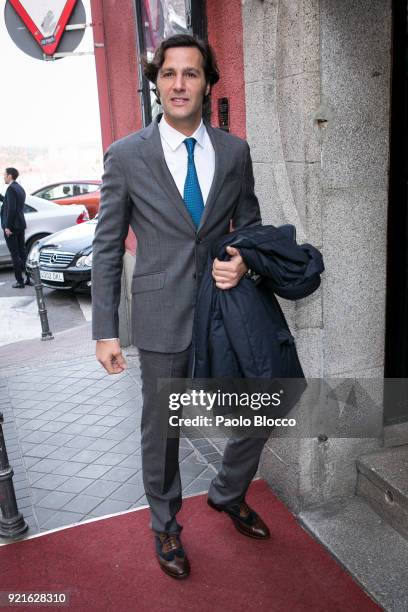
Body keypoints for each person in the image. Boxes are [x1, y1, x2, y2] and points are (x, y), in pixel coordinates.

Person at [92, 34, 271, 580]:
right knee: (163, 430)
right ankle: (166, 525)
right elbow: (106, 244)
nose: (179, 84)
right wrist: (106, 330)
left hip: (224, 308)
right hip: (161, 314)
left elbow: (253, 227)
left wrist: (242, 259)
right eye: (170, 73)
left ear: (207, 82)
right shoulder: (127, 156)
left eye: (191, 74)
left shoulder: (235, 152)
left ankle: (227, 491)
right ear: (157, 82)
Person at [0, 167, 30, 288]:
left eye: (5, 175)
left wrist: (8, 226)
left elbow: (12, 209)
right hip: (20, 225)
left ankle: (20, 281)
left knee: (15, 254)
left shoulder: (11, 189)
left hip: (12, 226)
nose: (3, 177)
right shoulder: (19, 188)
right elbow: (10, 204)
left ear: (10, 176)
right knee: (22, 252)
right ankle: (29, 278)